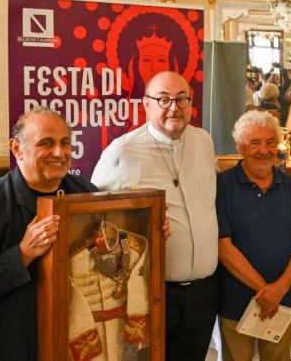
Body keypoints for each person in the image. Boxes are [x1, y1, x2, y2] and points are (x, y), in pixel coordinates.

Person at [92, 71, 219, 361]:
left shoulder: (203, 141)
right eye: (163, 99)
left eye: (181, 99)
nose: (173, 107)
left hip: (203, 292)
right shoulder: (121, 153)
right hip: (152, 293)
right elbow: (94, 219)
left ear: (191, 103)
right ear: (145, 104)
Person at [0, 108, 96, 361]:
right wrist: (22, 254)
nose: (59, 153)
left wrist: (146, 228)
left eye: (65, 143)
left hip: (75, 339)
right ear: (16, 148)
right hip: (11, 346)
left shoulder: (86, 193)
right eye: (46, 143)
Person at [216, 111, 291, 361]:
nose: (264, 150)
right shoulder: (222, 185)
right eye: (254, 143)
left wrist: (278, 290)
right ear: (240, 147)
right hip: (235, 301)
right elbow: (223, 246)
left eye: (270, 142)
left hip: (282, 300)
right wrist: (264, 291)